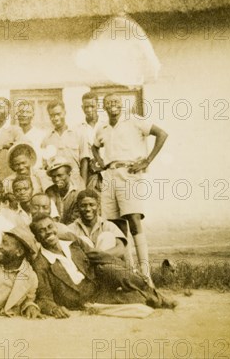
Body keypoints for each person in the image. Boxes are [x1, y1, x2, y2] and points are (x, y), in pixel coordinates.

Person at [29, 214, 176, 318]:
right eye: (42, 230)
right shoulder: (40, 263)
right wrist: (53, 309)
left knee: (113, 269)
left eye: (50, 227)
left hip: (98, 283)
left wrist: (130, 271)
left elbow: (97, 255)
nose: (48, 232)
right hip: (84, 299)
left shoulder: (71, 240)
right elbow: (44, 296)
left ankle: (158, 297)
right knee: (139, 300)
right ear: (37, 237)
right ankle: (150, 297)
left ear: (55, 227)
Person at [92, 93, 168, 284]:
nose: (113, 105)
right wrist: (100, 162)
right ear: (105, 107)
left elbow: (162, 134)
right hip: (109, 175)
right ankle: (130, 272)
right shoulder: (102, 127)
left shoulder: (134, 121)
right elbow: (93, 147)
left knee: (133, 220)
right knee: (116, 226)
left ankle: (146, 273)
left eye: (116, 101)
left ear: (122, 104)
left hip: (129, 173)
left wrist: (147, 161)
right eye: (109, 102)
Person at [41, 100, 89, 190]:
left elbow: (84, 160)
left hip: (75, 181)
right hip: (56, 183)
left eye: (58, 114)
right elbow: (45, 166)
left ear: (65, 113)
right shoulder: (46, 139)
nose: (55, 118)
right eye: (52, 115)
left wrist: (83, 185)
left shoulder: (78, 133)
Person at [68, 190, 127, 261]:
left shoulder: (108, 225)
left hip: (105, 265)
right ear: (78, 207)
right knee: (83, 240)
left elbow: (120, 249)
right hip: (84, 265)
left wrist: (99, 256)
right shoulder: (72, 228)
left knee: (107, 236)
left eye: (92, 205)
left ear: (98, 206)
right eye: (83, 206)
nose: (88, 209)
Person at [76, 92, 103, 192]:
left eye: (92, 106)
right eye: (86, 107)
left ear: (98, 106)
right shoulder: (78, 129)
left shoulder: (106, 125)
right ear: (82, 107)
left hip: (106, 172)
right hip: (88, 172)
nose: (89, 110)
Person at [45, 157, 80, 225]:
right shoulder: (49, 192)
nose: (56, 179)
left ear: (69, 174)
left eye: (60, 175)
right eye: (53, 176)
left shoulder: (77, 193)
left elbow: (75, 220)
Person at [13, 100, 46, 171]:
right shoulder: (11, 133)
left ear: (33, 115)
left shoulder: (41, 135)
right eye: (21, 112)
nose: (24, 115)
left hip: (35, 174)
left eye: (28, 112)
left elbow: (45, 161)